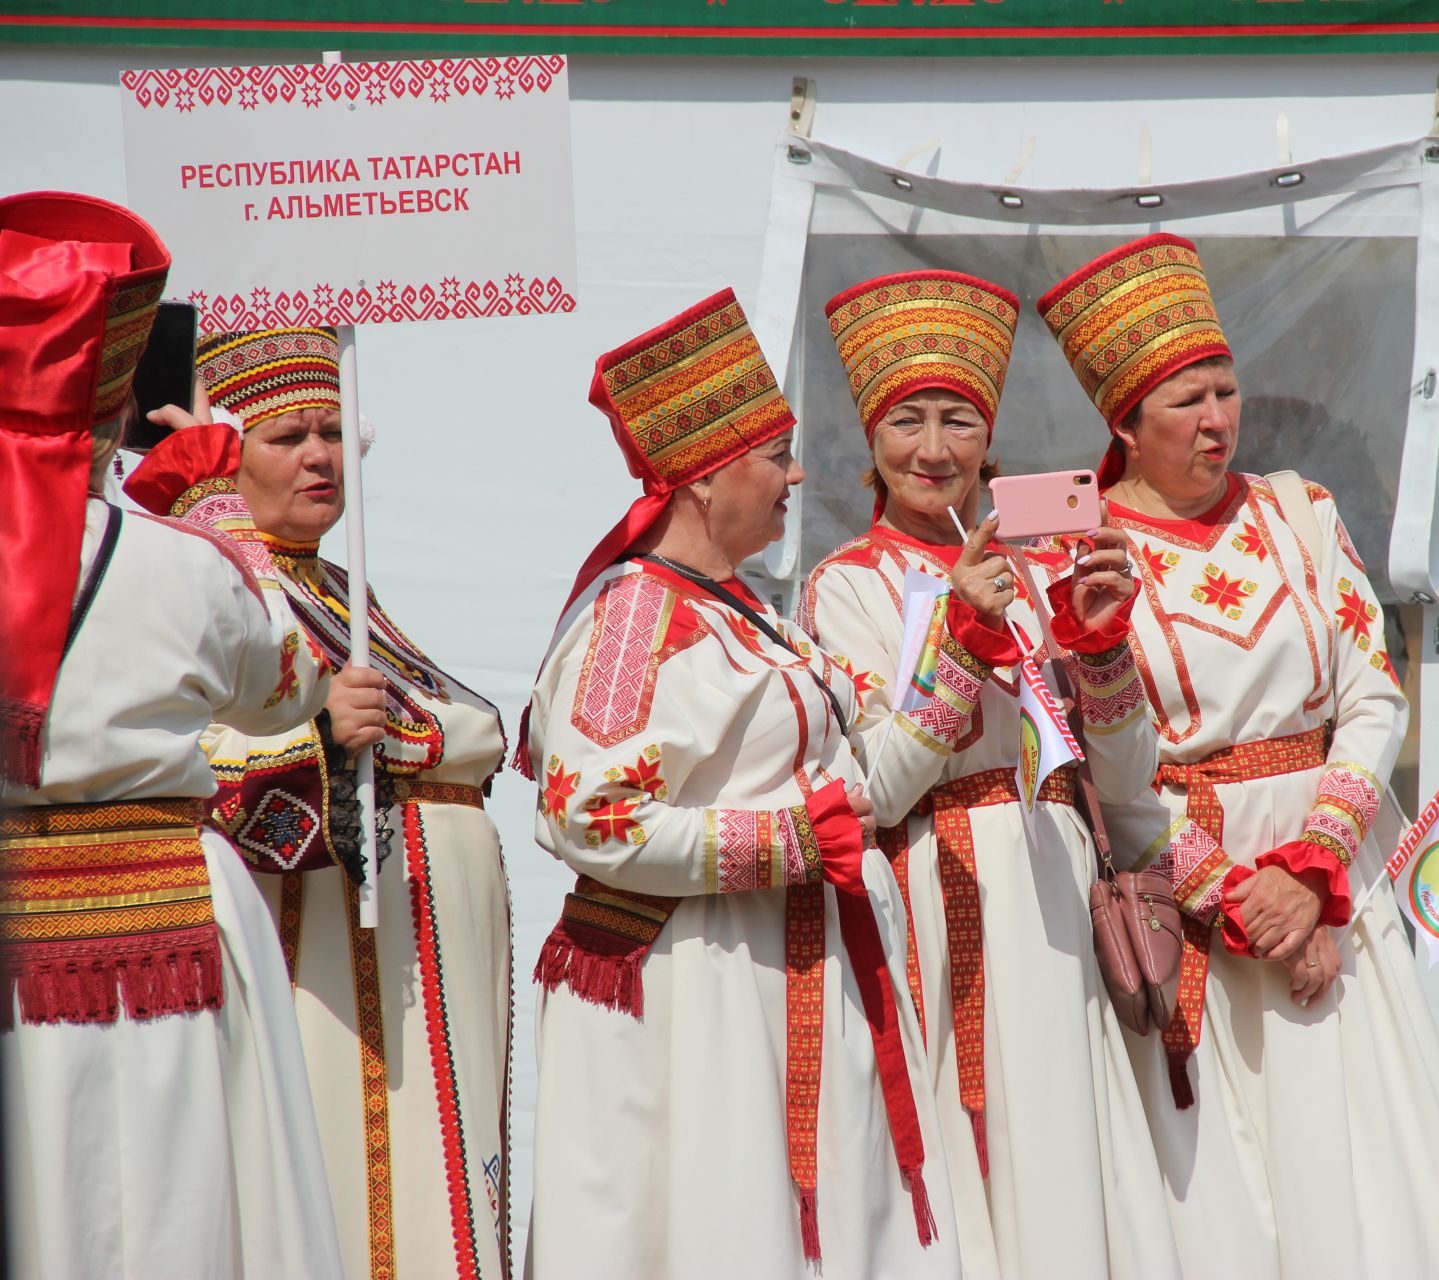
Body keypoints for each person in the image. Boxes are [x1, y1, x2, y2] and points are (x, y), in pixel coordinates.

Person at [1037, 232, 1439, 1277]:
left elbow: (1373, 692)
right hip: (1189, 887)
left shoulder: (1299, 509)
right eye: (1185, 402)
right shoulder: (1077, 556)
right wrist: (1241, 897)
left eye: (1226, 390)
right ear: (1123, 423)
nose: (1216, 421)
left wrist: (1311, 869)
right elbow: (1092, 765)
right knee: (1227, 1183)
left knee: (1373, 1150)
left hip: (1327, 860)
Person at [521, 288, 962, 1279]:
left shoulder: (755, 615)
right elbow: (588, 816)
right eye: (775, 452)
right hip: (693, 991)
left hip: (777, 970)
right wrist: (796, 838)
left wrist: (964, 645)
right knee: (707, 1227)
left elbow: (872, 788)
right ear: (707, 478)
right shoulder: (636, 617)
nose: (797, 471)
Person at [799, 269, 1182, 1279]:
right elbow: (878, 786)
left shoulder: (1035, 570)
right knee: (978, 1159)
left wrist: (1099, 645)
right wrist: (962, 638)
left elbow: (1126, 773)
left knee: (1065, 1153)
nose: (935, 449)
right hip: (943, 889)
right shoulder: (844, 586)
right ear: (872, 440)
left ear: (990, 439)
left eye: (959, 420)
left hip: (1055, 879)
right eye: (908, 420)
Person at [0, 191, 343, 1278]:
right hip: (166, 922)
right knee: (174, 1204)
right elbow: (289, 683)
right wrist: (207, 507)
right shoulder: (187, 561)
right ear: (114, 394)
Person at [125, 326, 513, 1280]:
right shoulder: (211, 579)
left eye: (333, 432)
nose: (320, 457)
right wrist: (324, 743)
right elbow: (189, 767)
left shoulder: (338, 583)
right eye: (288, 435)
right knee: (348, 1174)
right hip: (324, 951)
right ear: (229, 453)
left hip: (420, 957)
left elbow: (455, 726)